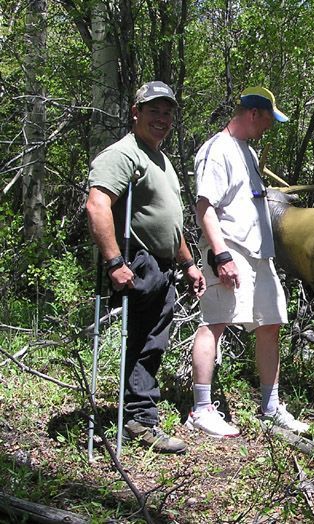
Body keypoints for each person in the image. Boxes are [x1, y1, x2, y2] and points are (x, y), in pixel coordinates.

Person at [86, 81, 206, 453]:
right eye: (154, 110)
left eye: (168, 112)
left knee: (152, 342)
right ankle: (138, 418)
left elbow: (169, 223)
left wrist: (188, 263)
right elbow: (97, 205)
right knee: (140, 340)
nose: (162, 118)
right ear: (135, 112)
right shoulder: (123, 154)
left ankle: (139, 418)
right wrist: (114, 262)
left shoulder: (162, 160)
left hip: (164, 264)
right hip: (137, 261)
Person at [187, 86, 309, 438]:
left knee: (271, 323)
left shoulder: (248, 153)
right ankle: (201, 408)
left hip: (259, 254)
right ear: (253, 113)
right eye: (269, 119)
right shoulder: (216, 150)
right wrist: (221, 254)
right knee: (215, 322)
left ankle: (270, 408)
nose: (269, 126)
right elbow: (205, 208)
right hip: (230, 250)